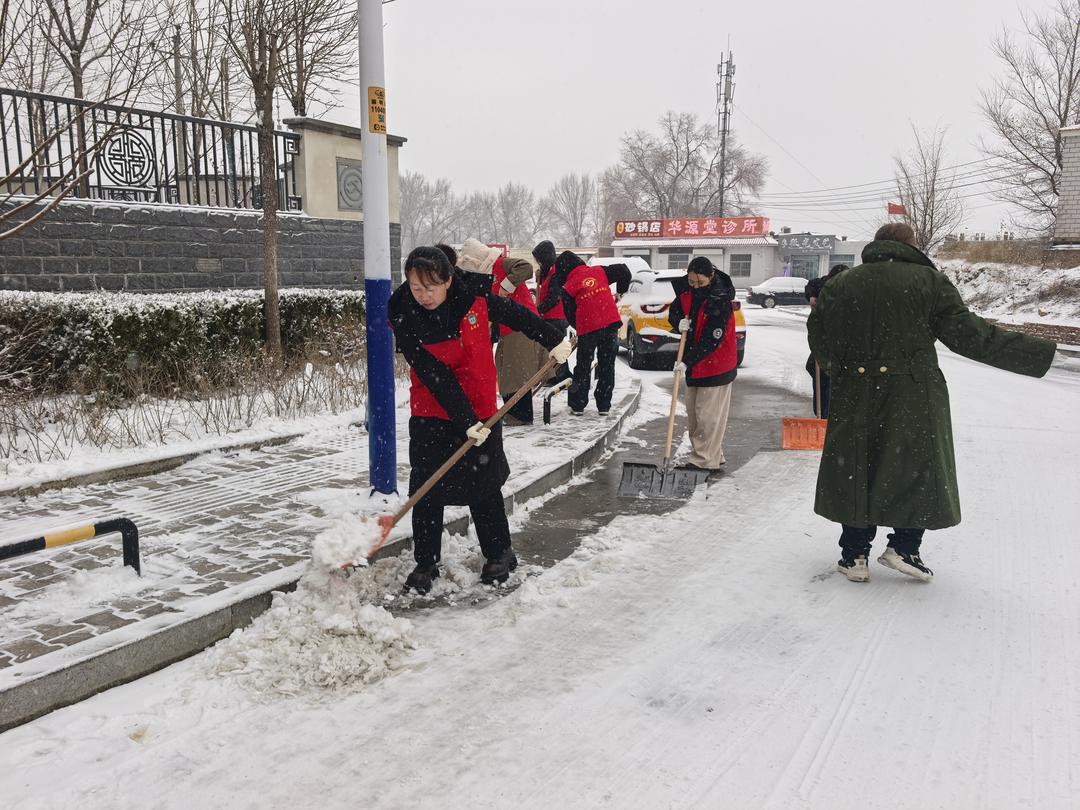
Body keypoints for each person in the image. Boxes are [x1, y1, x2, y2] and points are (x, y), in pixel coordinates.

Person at [808, 223, 1057, 584]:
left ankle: (854, 553)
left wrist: (842, 371)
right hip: (913, 390)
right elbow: (970, 336)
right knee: (912, 465)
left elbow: (819, 335)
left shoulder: (842, 284)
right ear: (911, 246)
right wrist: (1037, 354)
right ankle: (904, 547)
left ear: (877, 246)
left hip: (856, 389)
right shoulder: (928, 281)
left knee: (857, 464)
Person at [388, 246, 572, 594]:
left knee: (483, 484)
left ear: (448, 280)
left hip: (482, 403)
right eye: (416, 287)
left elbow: (518, 315)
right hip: (432, 410)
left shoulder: (474, 297)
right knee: (427, 488)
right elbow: (432, 371)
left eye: (431, 287)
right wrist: (463, 418)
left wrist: (555, 340)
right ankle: (426, 562)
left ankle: (500, 553)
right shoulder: (403, 314)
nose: (423, 295)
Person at [457, 239, 548, 427]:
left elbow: (525, 268)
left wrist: (506, 286)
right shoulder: (482, 276)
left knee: (514, 372)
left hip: (521, 324)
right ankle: (514, 413)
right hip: (508, 328)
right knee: (506, 368)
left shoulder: (499, 263)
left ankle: (520, 415)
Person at [667, 256, 738, 471]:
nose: (696, 287)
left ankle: (704, 461)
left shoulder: (721, 298)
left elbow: (711, 339)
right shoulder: (685, 290)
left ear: (711, 276)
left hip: (716, 362)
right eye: (692, 282)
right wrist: (678, 320)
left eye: (700, 283)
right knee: (695, 414)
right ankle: (712, 453)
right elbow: (675, 311)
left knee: (708, 415)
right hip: (695, 364)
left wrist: (687, 362)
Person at [546, 251, 631, 415]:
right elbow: (624, 270)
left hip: (588, 328)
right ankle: (604, 405)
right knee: (607, 365)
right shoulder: (599, 271)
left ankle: (578, 405)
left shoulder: (568, 286)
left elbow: (569, 314)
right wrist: (621, 291)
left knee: (583, 366)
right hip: (610, 322)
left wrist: (581, 327)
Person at [804, 264, 848, 418]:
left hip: (838, 341)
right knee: (816, 369)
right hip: (823, 339)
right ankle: (823, 413)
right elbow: (811, 284)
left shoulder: (849, 290)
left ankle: (826, 414)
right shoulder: (823, 284)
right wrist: (812, 296)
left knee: (826, 374)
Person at [533, 240, 572, 386]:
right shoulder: (550, 270)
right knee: (555, 347)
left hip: (556, 317)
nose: (539, 263)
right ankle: (559, 375)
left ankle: (560, 377)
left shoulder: (556, 272)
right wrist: (540, 275)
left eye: (539, 259)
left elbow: (554, 298)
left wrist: (539, 310)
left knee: (556, 347)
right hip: (553, 317)